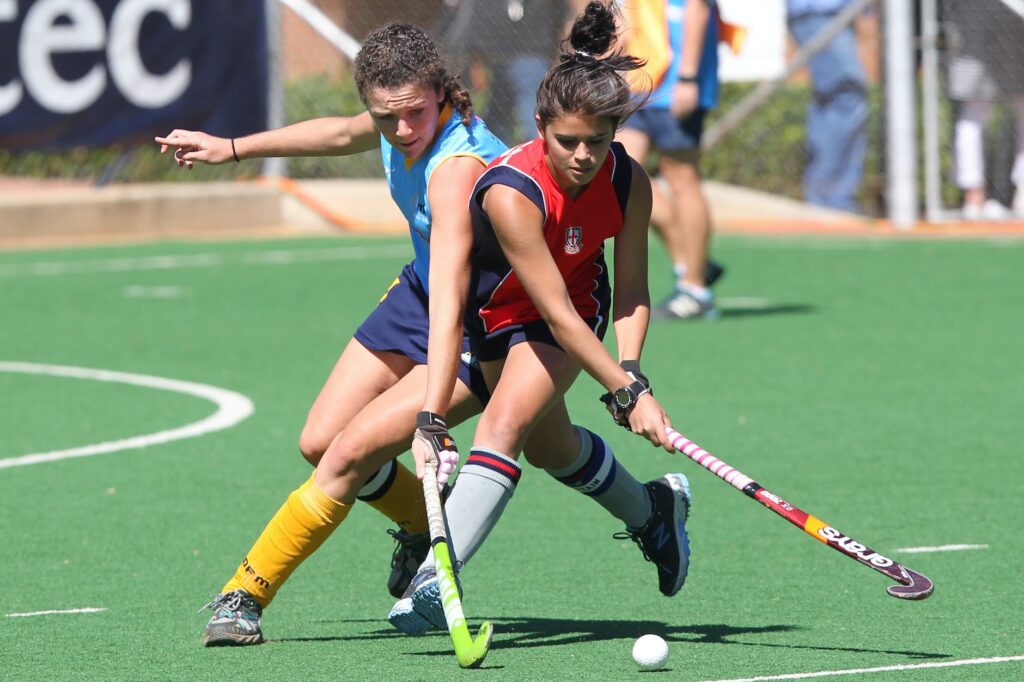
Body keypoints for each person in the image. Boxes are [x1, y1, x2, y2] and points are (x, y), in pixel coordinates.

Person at [157, 22, 671, 647]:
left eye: (414, 115)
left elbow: (459, 289)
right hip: (420, 292)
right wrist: (233, 147)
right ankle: (431, 522)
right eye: (385, 117)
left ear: (445, 94)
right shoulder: (393, 121)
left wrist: (431, 415)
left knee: (356, 454)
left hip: (480, 316)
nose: (401, 131)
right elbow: (340, 133)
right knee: (323, 440)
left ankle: (245, 594)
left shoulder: (458, 169)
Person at [389, 0, 693, 636]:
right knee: (554, 448)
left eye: (598, 142)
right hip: (500, 320)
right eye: (567, 141)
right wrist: (621, 388)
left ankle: (435, 580)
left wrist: (631, 372)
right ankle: (654, 510)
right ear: (538, 124)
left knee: (500, 427)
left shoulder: (628, 182)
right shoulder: (511, 191)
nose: (583, 156)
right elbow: (544, 307)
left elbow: (631, 287)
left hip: (573, 315)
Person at [616, 0, 724, 321]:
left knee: (681, 177)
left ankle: (695, 290)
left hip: (677, 84)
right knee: (624, 174)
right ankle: (692, 261)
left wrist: (688, 78)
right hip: (639, 82)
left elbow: (698, 9)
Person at [438, 0, 577, 145]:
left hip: (522, 53)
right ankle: (515, 153)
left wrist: (477, 57)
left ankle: (538, 150)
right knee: (509, 111)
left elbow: (476, 20)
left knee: (529, 108)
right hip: (510, 53)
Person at [941, 0, 1024, 220]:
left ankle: (1021, 196)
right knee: (974, 113)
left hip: (1016, 32)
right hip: (975, 30)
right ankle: (973, 197)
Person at [786, 0, 869, 214]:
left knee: (832, 99)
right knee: (847, 98)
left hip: (836, 13)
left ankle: (824, 195)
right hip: (819, 12)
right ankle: (831, 199)